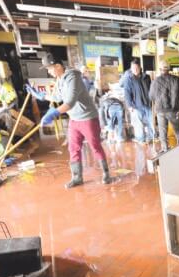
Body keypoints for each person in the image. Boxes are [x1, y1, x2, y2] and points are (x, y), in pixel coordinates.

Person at [26, 53, 113, 187]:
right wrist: (41, 96)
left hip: (87, 118)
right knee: (73, 148)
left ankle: (106, 173)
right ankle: (77, 177)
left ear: (58, 66)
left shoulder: (73, 78)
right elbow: (56, 97)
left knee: (95, 146)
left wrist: (53, 113)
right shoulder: (60, 79)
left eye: (49, 68)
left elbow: (70, 103)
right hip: (74, 119)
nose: (49, 72)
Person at [149, 62, 179, 151]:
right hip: (173, 110)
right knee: (177, 129)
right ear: (169, 69)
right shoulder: (176, 80)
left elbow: (151, 96)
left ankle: (165, 149)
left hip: (161, 111)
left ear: (160, 70)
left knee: (163, 131)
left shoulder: (155, 81)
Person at [120, 60, 155, 144]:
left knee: (151, 122)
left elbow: (151, 89)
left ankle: (151, 137)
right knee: (138, 124)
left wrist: (153, 101)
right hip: (136, 106)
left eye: (136, 68)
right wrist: (129, 106)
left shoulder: (146, 77)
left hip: (148, 104)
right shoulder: (128, 79)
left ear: (140, 68)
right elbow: (127, 93)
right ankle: (141, 139)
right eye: (133, 68)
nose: (135, 70)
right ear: (131, 69)